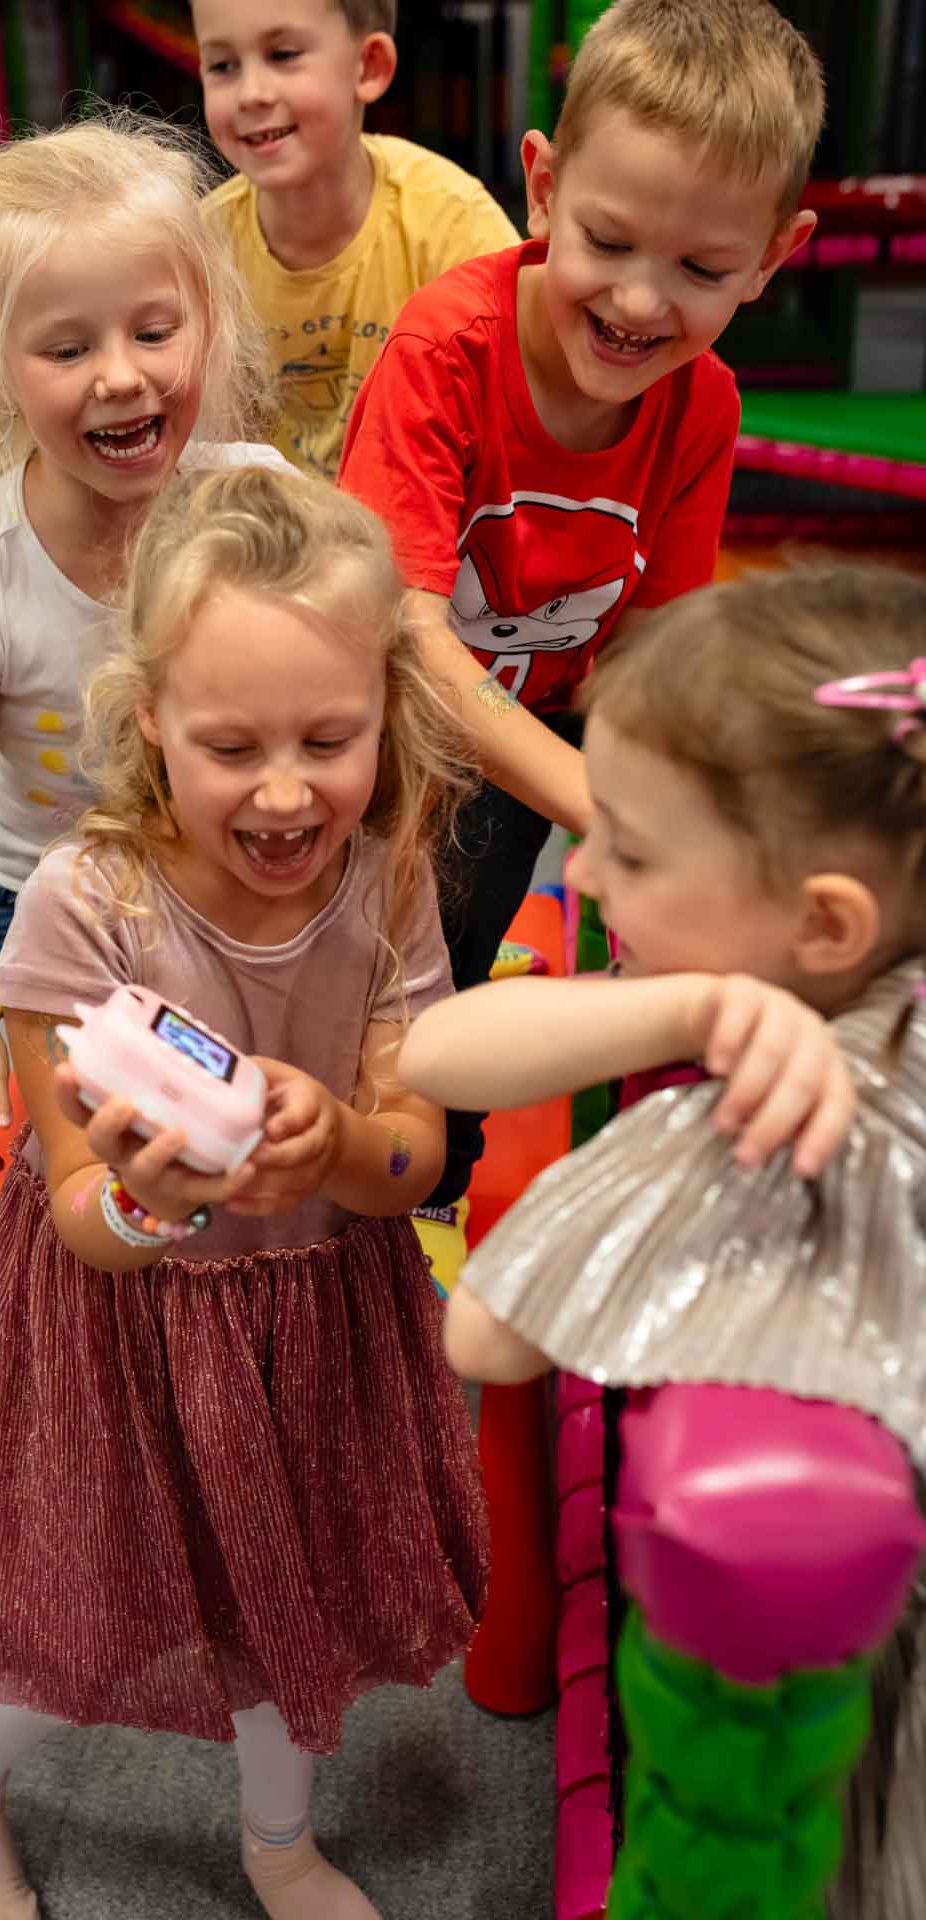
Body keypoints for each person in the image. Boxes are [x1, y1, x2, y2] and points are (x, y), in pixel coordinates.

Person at [0, 464, 489, 1920]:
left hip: (320, 1314)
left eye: (332, 736)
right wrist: (148, 1200)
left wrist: (347, 1151)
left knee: (280, 1607)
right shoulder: (83, 900)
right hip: (136, 1332)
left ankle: (278, 1843)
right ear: (150, 724)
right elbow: (65, 1208)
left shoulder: (389, 882)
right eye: (231, 744)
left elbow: (419, 1146)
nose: (289, 789)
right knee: (84, 1612)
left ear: (387, 714)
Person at [400, 561, 926, 1920]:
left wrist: (695, 1027)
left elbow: (481, 1329)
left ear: (823, 926)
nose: (582, 867)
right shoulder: (826, 963)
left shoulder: (790, 1116)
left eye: (630, 851)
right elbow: (442, 1048)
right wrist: (685, 1001)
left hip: (839, 1731)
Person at [338, 0, 824, 1285]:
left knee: (491, 927)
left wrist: (666, 825)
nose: (636, 299)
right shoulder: (448, 344)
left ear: (774, 258)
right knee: (386, 940)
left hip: (549, 711)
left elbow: (652, 646)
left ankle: (437, 1187)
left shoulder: (701, 404)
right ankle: (379, 1168)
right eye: (606, 239)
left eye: (701, 272)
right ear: (543, 187)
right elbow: (401, 637)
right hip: (393, 706)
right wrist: (596, 809)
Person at [0, 110, 288, 1185]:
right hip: (53, 918)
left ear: (207, 321)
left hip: (246, 875)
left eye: (155, 332)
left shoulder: (262, 506)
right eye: (67, 349)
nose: (120, 376)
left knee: (257, 1158)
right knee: (107, 1184)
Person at [193, 0, 521, 481]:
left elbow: (516, 419)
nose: (251, 93)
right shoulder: (198, 247)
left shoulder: (454, 223)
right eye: (223, 66)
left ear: (368, 67)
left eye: (283, 55)